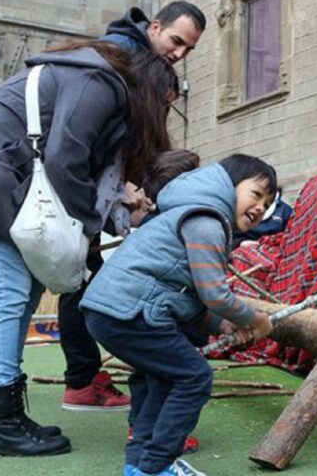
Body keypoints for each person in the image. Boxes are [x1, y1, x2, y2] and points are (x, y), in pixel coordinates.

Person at [0, 41, 176, 457]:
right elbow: (66, 158)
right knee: (4, 289)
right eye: (166, 102)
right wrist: (85, 227)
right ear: (150, 87)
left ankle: (2, 415)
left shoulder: (94, 78)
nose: (164, 113)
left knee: (20, 290)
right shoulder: (103, 81)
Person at [82, 155, 276, 476]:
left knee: (162, 379)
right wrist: (255, 319)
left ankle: (139, 465)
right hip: (130, 312)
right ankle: (158, 465)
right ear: (229, 185)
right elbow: (214, 294)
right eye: (256, 194)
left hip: (113, 310)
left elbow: (186, 298)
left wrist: (222, 323)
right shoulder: (207, 221)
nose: (260, 208)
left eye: (268, 203)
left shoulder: (187, 213)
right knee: (194, 377)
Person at [102, 1, 206, 65]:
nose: (179, 54)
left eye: (188, 49)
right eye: (176, 41)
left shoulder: (156, 63)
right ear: (155, 28)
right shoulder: (113, 51)